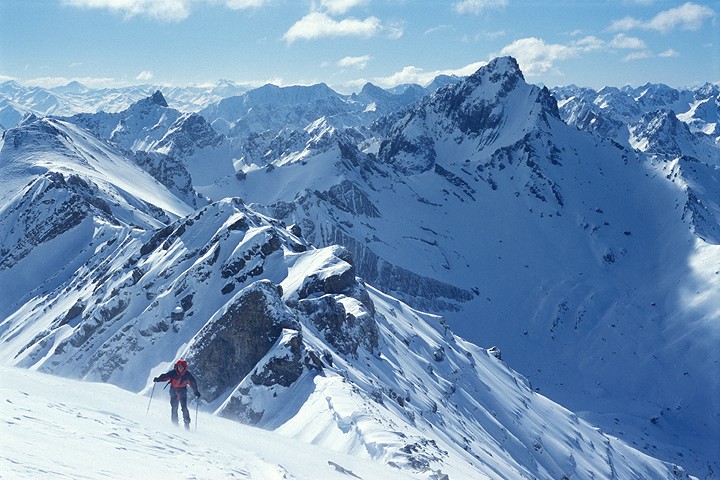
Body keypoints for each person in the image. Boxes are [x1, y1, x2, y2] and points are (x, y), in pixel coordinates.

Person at [154, 359, 201, 429]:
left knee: (184, 407)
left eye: (182, 367)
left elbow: (192, 382)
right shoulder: (173, 373)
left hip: (182, 392)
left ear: (184, 367)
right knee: (174, 407)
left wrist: (196, 391)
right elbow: (165, 376)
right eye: (179, 366)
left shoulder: (187, 374)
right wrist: (158, 379)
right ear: (177, 366)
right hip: (174, 391)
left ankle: (187, 424)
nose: (180, 368)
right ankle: (175, 424)